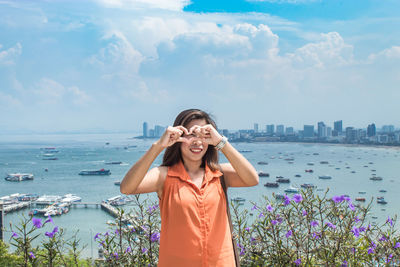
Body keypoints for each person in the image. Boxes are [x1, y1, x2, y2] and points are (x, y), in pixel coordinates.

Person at [120, 109, 259, 267]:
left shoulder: (220, 174)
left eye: (203, 135)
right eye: (191, 134)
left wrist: (221, 142)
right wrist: (158, 146)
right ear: (178, 137)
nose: (197, 141)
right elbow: (127, 188)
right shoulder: (163, 175)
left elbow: (252, 179)